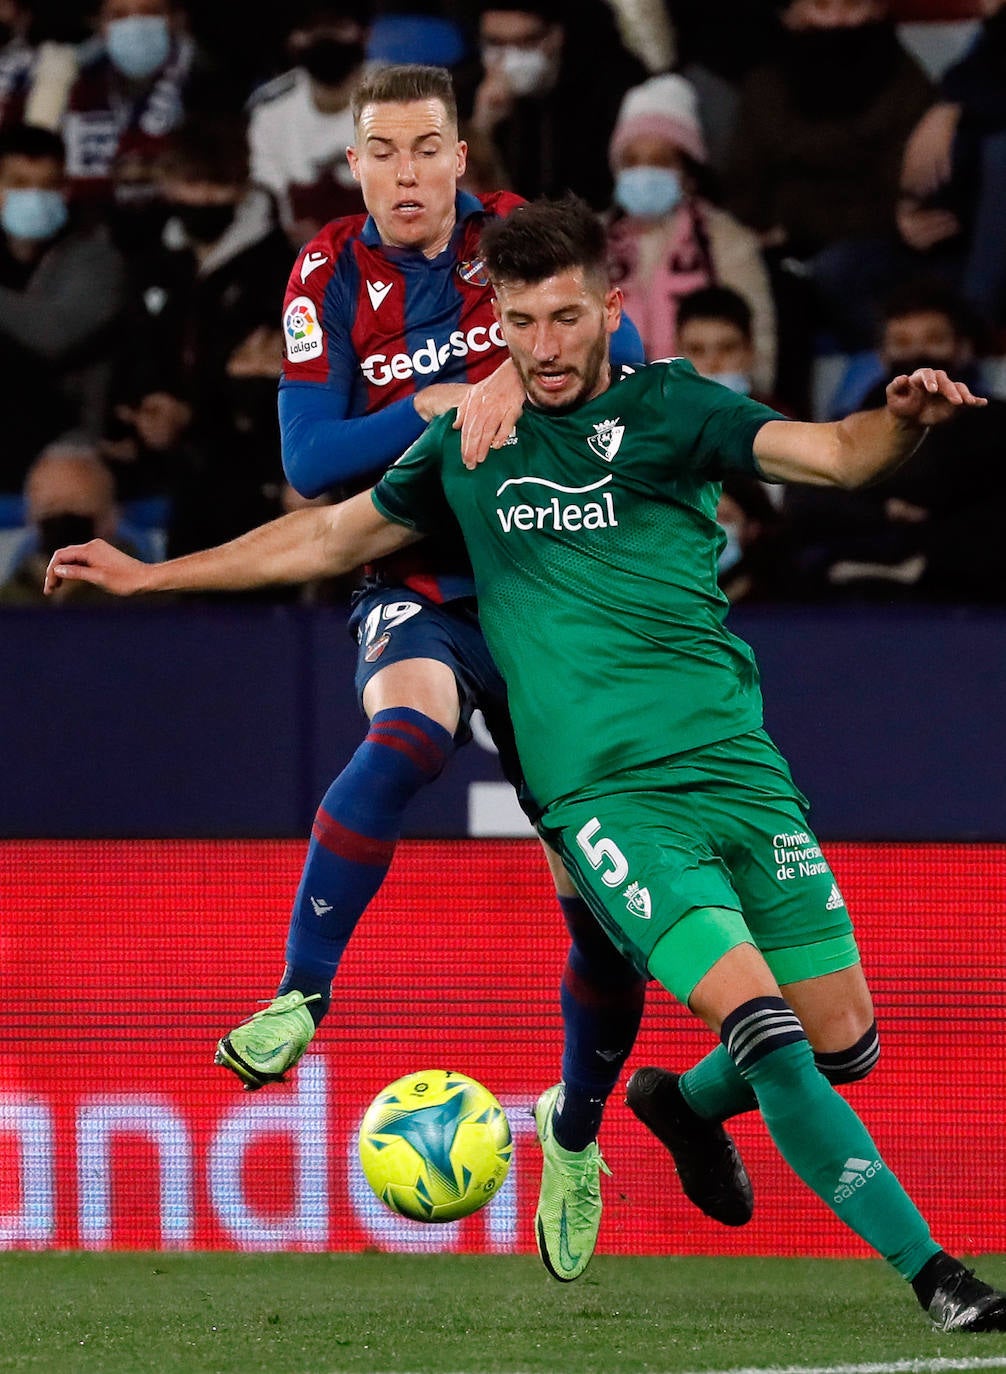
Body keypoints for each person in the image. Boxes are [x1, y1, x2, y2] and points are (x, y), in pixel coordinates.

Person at [46, 195, 1006, 1333]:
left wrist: (901, 418)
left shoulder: (672, 411)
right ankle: (937, 1277)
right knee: (764, 1028)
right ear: (494, 318)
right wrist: (150, 576)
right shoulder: (467, 443)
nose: (542, 347)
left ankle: (679, 1108)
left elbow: (836, 455)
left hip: (739, 770)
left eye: (563, 317)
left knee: (847, 1040)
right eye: (518, 322)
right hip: (607, 799)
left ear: (611, 308)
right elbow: (326, 533)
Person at [196, 63, 650, 1257]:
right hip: (408, 574)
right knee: (403, 728)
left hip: (545, 582)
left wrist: (524, 368)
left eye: (426, 148)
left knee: (599, 909)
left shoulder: (517, 242)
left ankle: (575, 1131)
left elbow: (628, 347)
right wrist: (446, 398)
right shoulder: (326, 271)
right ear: (354, 165)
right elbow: (310, 456)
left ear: (462, 156)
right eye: (382, 151)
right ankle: (302, 990)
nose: (405, 173)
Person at [723, 0, 934, 408]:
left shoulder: (906, 83)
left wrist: (798, 220)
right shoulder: (766, 87)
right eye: (822, 5)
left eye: (852, 5)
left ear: (876, 11)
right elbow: (745, 194)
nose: (837, 20)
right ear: (792, 15)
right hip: (786, 256)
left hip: (875, 249)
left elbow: (902, 202)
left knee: (844, 269)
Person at [783, 277, 1006, 602]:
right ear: (883, 356)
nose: (917, 354)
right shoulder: (852, 421)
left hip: (965, 573)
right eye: (902, 342)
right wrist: (887, 511)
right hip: (868, 548)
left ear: (963, 349)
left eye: (933, 340)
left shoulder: (994, 419)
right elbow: (803, 496)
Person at [605, 72, 776, 390]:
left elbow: (758, 344)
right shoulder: (592, 240)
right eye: (631, 161)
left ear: (687, 172)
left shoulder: (724, 239)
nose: (643, 171)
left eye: (659, 161)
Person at [0, 120, 126, 492]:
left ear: (65, 189)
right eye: (19, 184)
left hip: (73, 447)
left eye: (46, 185)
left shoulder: (97, 254)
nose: (33, 197)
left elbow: (55, 333)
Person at [462, 0, 647, 209]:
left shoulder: (607, 88)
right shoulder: (468, 89)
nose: (510, 58)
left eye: (525, 42)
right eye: (496, 43)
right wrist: (482, 129)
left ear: (555, 36)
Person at [246, 2, 369, 246]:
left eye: (335, 26)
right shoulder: (268, 110)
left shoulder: (407, 98)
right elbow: (269, 197)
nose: (324, 38)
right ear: (293, 40)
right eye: (311, 29)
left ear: (364, 34)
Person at [0, 433, 146, 604]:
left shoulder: (149, 605)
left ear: (110, 517)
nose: (63, 517)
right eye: (50, 507)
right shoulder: (9, 604)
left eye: (76, 505)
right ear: (29, 517)